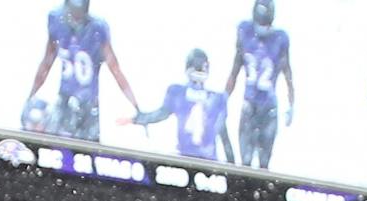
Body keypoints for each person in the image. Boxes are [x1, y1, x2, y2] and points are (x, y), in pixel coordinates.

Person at [29, 0, 140, 142]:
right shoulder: (58, 20)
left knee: (81, 151)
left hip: (86, 106)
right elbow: (47, 62)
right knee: (62, 149)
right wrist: (31, 95)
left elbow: (115, 70)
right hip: (68, 101)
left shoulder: (96, 28)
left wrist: (136, 105)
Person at [124, 50, 235, 164]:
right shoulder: (217, 99)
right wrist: (236, 170)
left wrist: (138, 119)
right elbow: (224, 137)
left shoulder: (178, 93)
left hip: (185, 159)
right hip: (208, 162)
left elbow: (160, 114)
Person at [225, 0, 293, 170]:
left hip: (268, 107)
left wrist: (292, 104)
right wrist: (223, 99)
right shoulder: (245, 32)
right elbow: (235, 68)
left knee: (263, 166)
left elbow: (287, 73)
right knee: (245, 163)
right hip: (249, 105)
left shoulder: (280, 39)